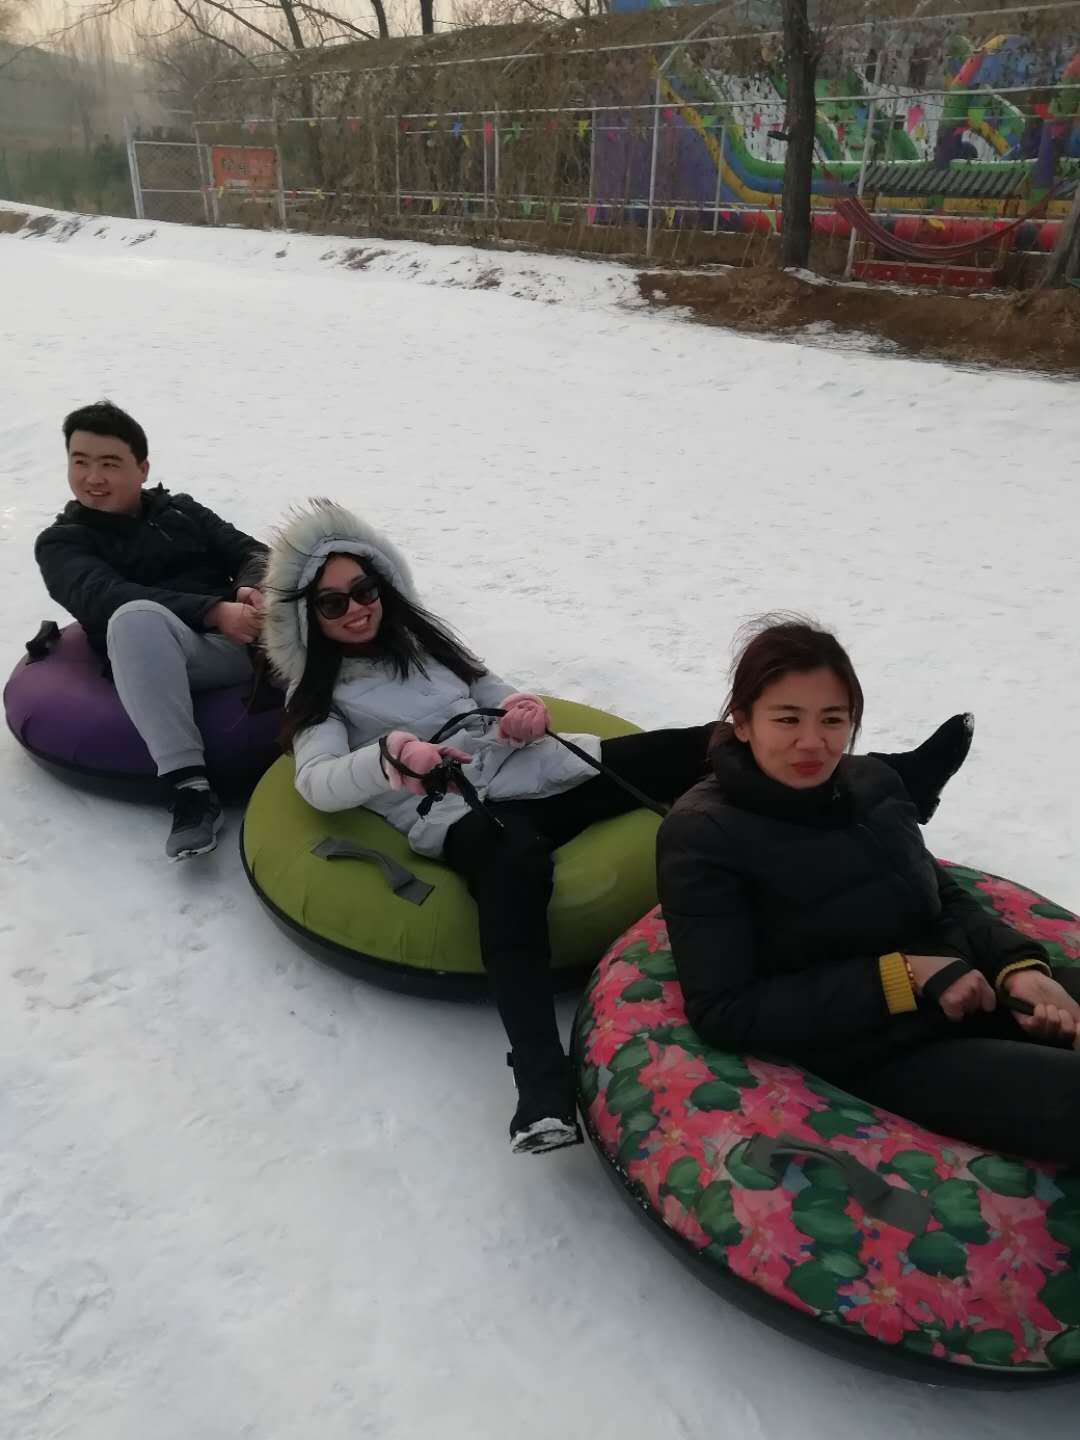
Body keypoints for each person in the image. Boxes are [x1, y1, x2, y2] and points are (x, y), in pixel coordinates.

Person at [263, 503, 975, 1157]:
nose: (356, 609)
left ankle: (900, 778)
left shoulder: (424, 645)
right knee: (515, 871)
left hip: (531, 771)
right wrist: (390, 758)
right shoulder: (319, 698)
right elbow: (316, 781)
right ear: (307, 617)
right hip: (460, 810)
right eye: (333, 602)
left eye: (365, 589)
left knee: (702, 742)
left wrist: (522, 710)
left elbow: (491, 689)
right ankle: (540, 1081)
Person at [657, 617, 1080, 1167]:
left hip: (967, 986)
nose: (813, 742)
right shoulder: (704, 835)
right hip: (877, 1046)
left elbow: (942, 896)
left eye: (833, 719)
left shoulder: (873, 786)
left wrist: (1017, 968)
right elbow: (725, 1008)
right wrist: (903, 977)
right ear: (742, 721)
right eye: (787, 718)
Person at [35, 401, 268, 860]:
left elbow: (252, 551)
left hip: (242, 638)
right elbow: (103, 597)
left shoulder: (180, 510)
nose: (92, 477)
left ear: (142, 469)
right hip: (162, 652)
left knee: (332, 564)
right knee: (133, 617)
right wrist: (213, 611)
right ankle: (190, 789)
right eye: (80, 462)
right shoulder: (62, 543)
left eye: (109, 463)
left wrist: (248, 589)